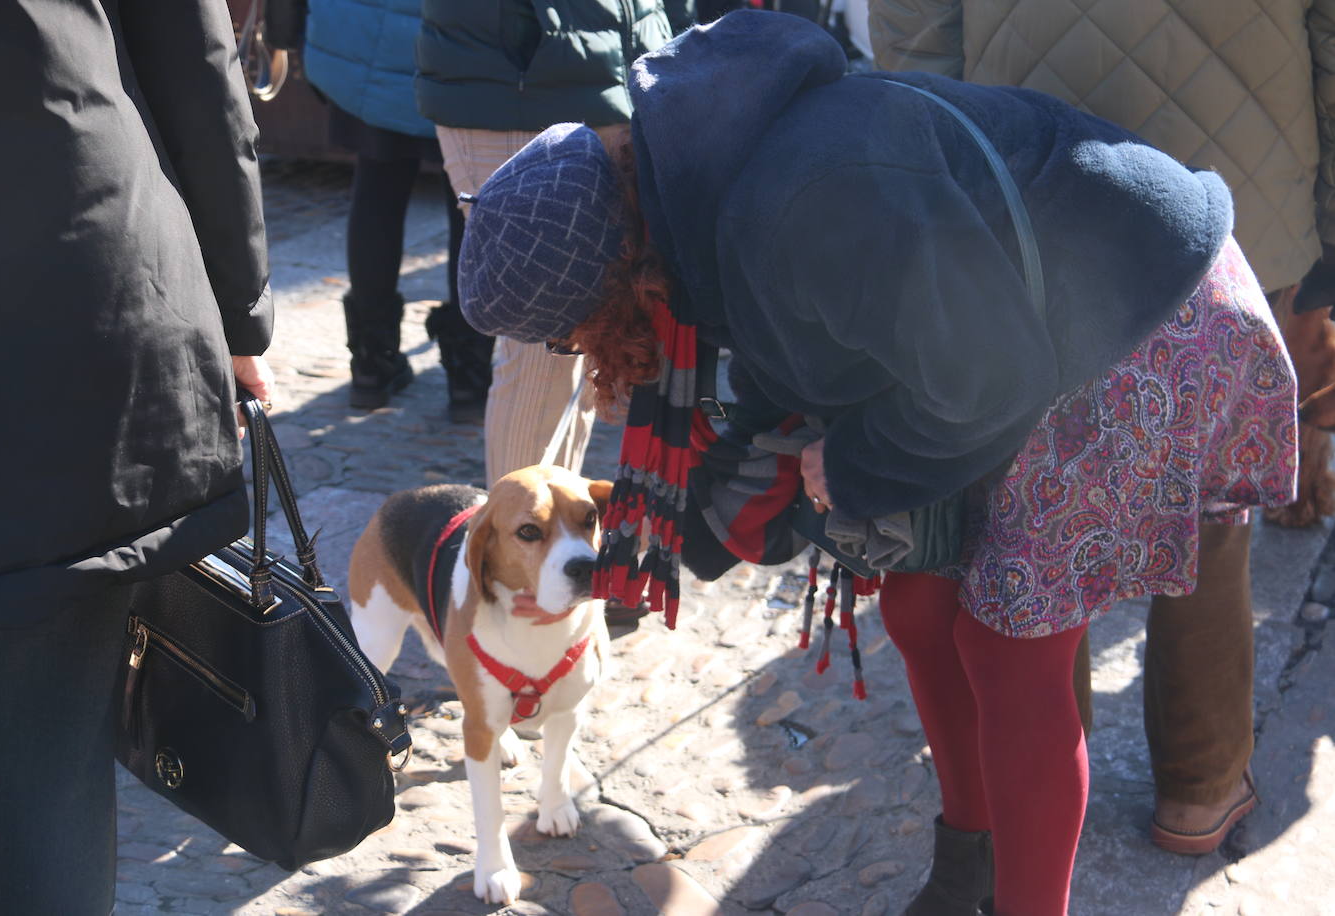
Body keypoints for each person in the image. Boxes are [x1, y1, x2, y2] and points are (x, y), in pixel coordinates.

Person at [453, 11, 1298, 916]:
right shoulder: (706, 193)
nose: (583, 350)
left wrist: (849, 467)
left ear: (616, 279)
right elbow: (829, 345)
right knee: (920, 603)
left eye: (572, 330)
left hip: (1139, 321)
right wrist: (734, 492)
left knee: (1010, 649)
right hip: (1026, 331)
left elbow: (983, 379)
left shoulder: (801, 200)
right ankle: (966, 863)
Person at [867, 0, 1335, 862]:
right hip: (1246, 185)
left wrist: (948, 169)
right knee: (1208, 506)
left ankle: (1042, 763)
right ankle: (1200, 790)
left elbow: (911, 25)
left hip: (1028, 186)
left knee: (1023, 497)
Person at [0, 1, 275, 913]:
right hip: (70, 298)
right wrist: (240, 306)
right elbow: (196, 60)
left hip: (66, 303)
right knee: (43, 767)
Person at [414, 0, 691, 486]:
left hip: (609, 71)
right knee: (541, 346)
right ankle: (516, 553)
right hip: (518, 76)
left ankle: (551, 539)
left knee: (592, 330)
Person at [302, 0, 492, 415]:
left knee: (377, 183)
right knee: (468, 199)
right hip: (464, 48)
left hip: (364, 37)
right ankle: (469, 375)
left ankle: (371, 365)